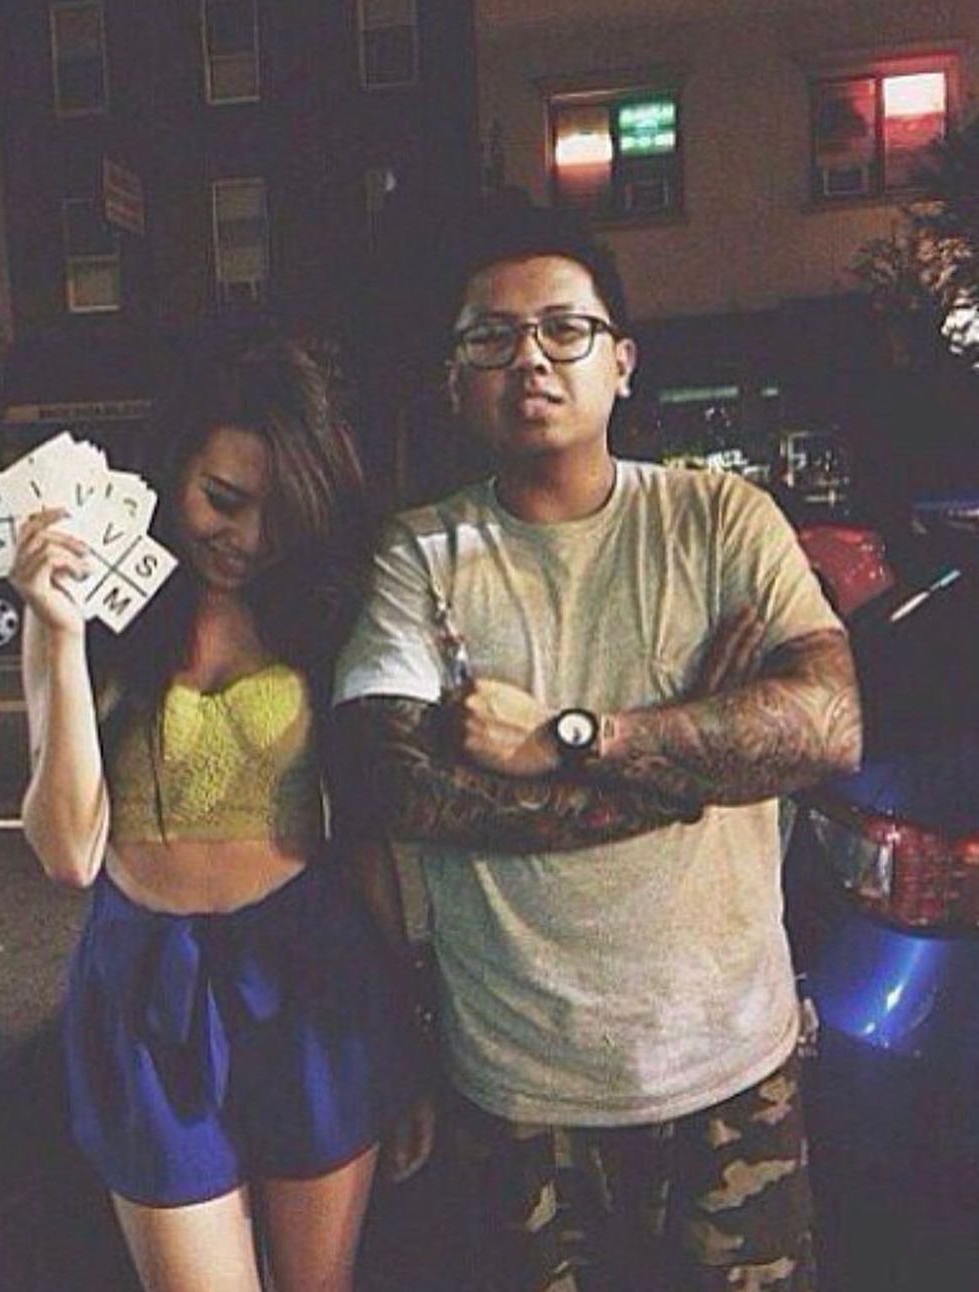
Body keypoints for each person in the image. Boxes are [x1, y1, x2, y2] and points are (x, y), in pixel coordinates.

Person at [329, 206, 862, 1291]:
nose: (530, 356)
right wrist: (686, 769)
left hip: (728, 1063)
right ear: (455, 381)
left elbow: (826, 725)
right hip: (516, 1083)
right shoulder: (424, 552)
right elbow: (389, 782)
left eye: (564, 329)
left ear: (621, 362)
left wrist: (572, 739)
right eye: (492, 336)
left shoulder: (718, 519)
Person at [11, 338, 413, 1292]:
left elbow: (367, 838)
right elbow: (68, 852)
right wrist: (60, 635)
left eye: (278, 513)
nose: (246, 538)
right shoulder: (92, 606)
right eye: (222, 499)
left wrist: (407, 1037)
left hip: (312, 965)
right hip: (145, 972)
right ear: (173, 466)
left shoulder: (323, 608)